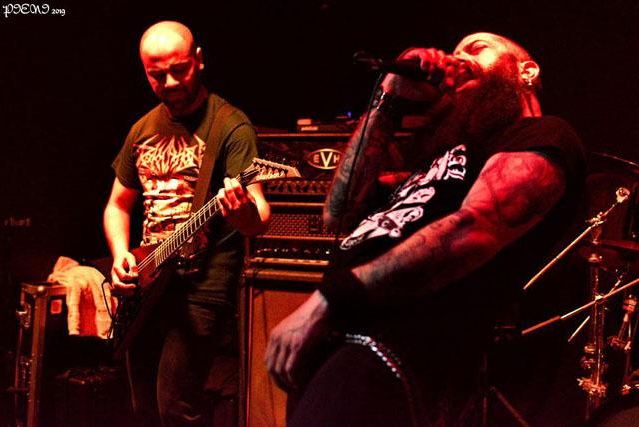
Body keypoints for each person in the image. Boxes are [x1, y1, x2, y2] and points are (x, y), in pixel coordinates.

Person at [266, 32, 586, 426]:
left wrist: (329, 299)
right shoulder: (443, 152)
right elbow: (339, 213)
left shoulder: (544, 135)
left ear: (527, 71)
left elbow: (471, 232)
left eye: (477, 48)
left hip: (396, 353)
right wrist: (388, 101)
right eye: (455, 51)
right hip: (337, 339)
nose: (458, 57)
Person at [103, 21, 270, 426]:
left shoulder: (230, 125)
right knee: (143, 406)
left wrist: (240, 210)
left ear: (199, 59)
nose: (170, 83)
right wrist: (121, 255)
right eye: (157, 75)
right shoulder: (142, 129)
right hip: (148, 278)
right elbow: (117, 205)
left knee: (175, 405)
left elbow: (259, 217)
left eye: (179, 70)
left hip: (201, 286)